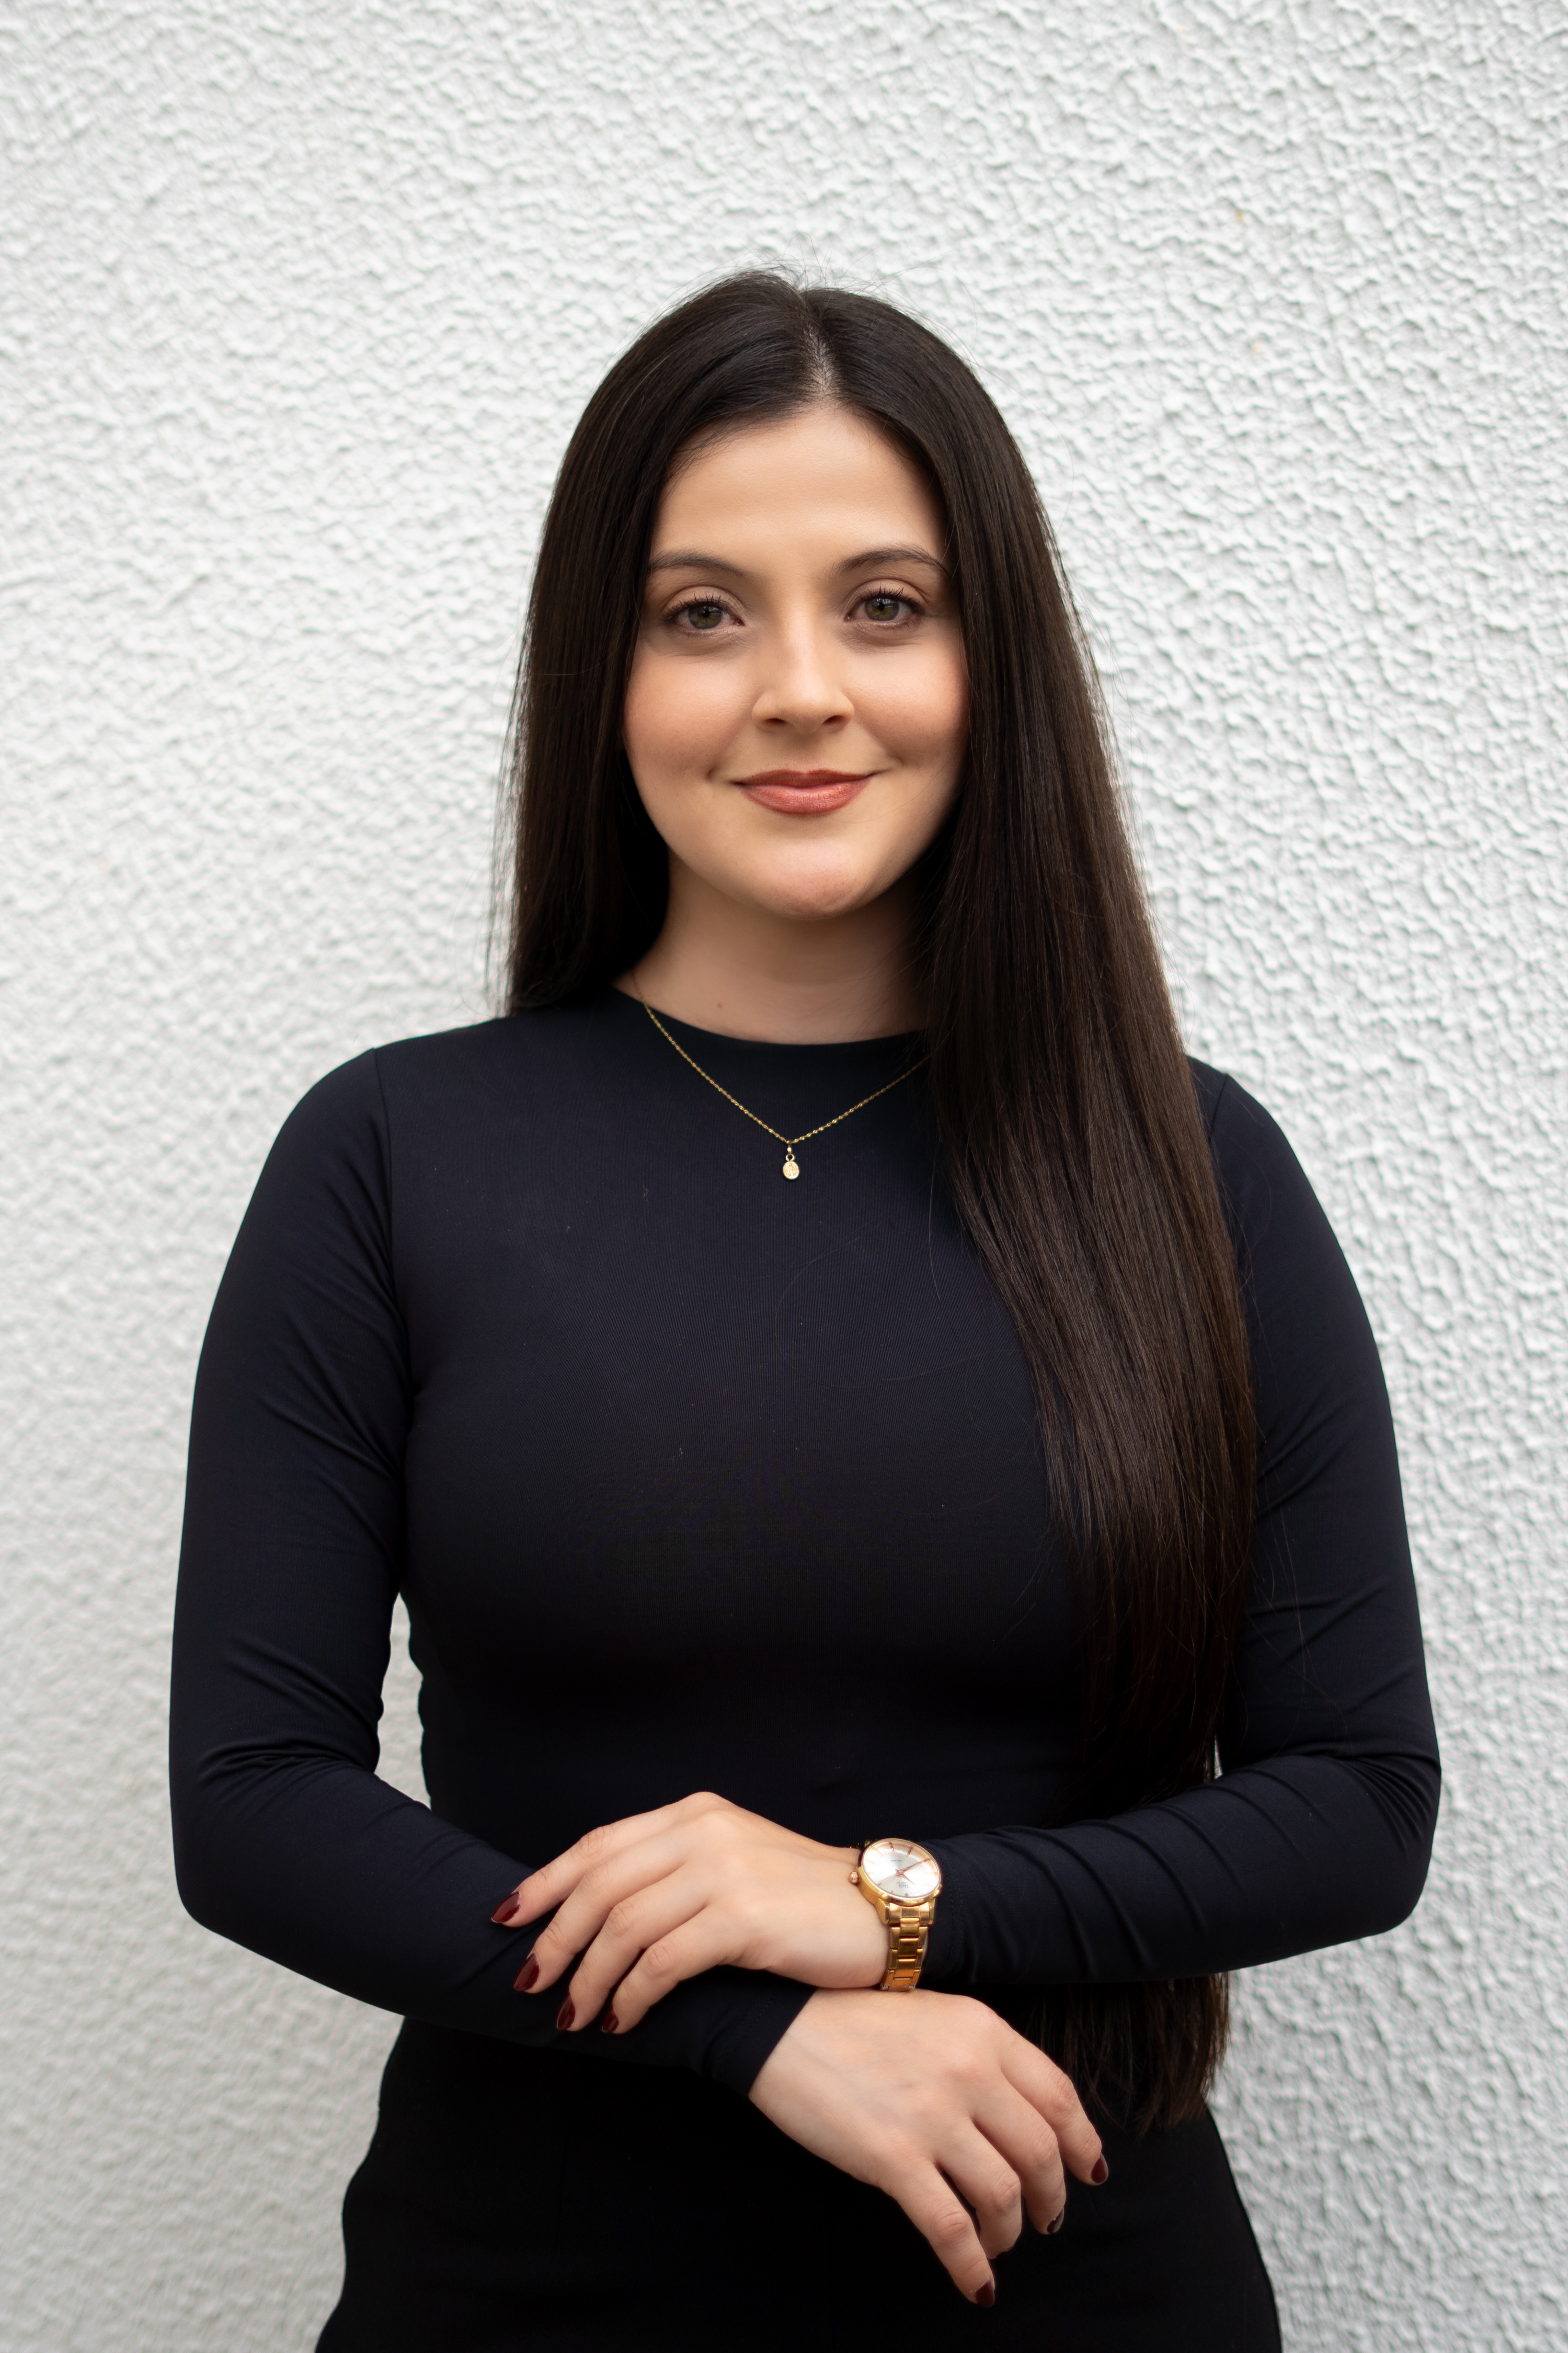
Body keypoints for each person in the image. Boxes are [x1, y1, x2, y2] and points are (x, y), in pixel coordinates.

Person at [169, 274, 1440, 2350]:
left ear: (989, 660)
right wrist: (754, 2026)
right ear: (604, 672)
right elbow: (250, 1800)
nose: (800, 691)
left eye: (884, 605)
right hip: (518, 2293)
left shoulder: (1192, 1169)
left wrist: (879, 1903)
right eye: (702, 613)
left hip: (1078, 2291)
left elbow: (1354, 1801)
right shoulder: (392, 1153)